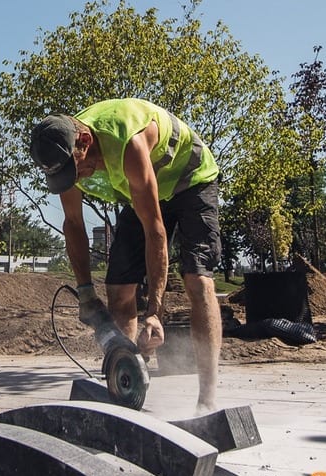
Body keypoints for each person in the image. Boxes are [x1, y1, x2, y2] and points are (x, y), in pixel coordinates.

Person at [29, 98, 222, 413]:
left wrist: (155, 312)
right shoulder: (64, 154)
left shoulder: (127, 143)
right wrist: (85, 293)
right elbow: (73, 224)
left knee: (197, 281)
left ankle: (208, 401)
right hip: (141, 193)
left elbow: (155, 232)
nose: (74, 181)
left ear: (86, 142)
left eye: (75, 171)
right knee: (119, 291)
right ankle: (127, 391)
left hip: (190, 182)